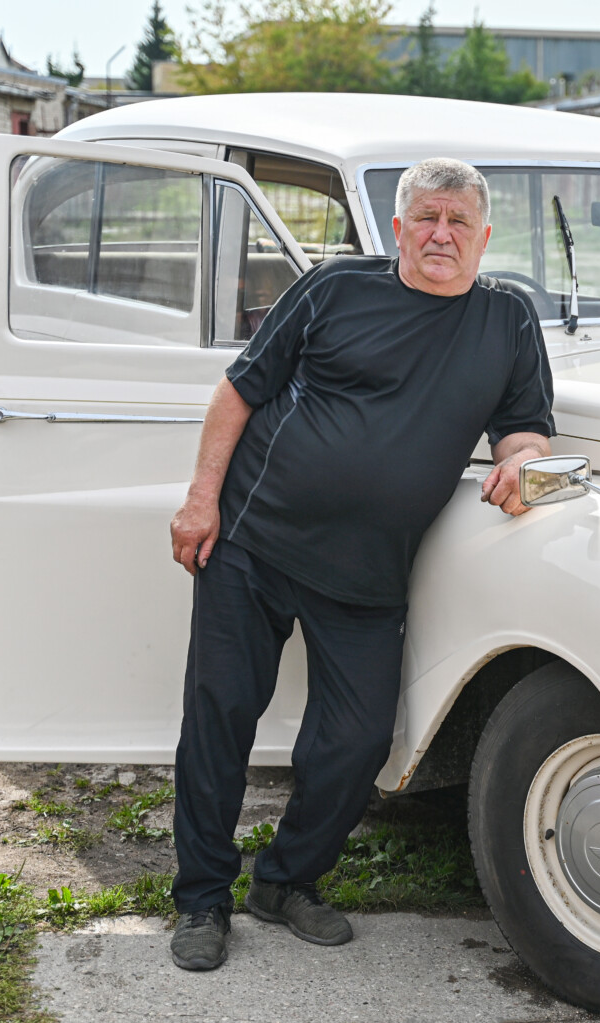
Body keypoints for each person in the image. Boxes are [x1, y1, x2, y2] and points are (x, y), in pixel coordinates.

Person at [164, 158, 554, 970]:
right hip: (255, 541)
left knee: (357, 738)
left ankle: (284, 881)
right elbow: (239, 390)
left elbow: (522, 427)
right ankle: (202, 899)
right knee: (219, 717)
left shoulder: (507, 320)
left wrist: (523, 463)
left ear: (483, 236)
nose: (440, 234)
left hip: (369, 573)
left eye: (457, 221)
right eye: (425, 218)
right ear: (399, 228)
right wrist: (201, 500)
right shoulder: (335, 288)